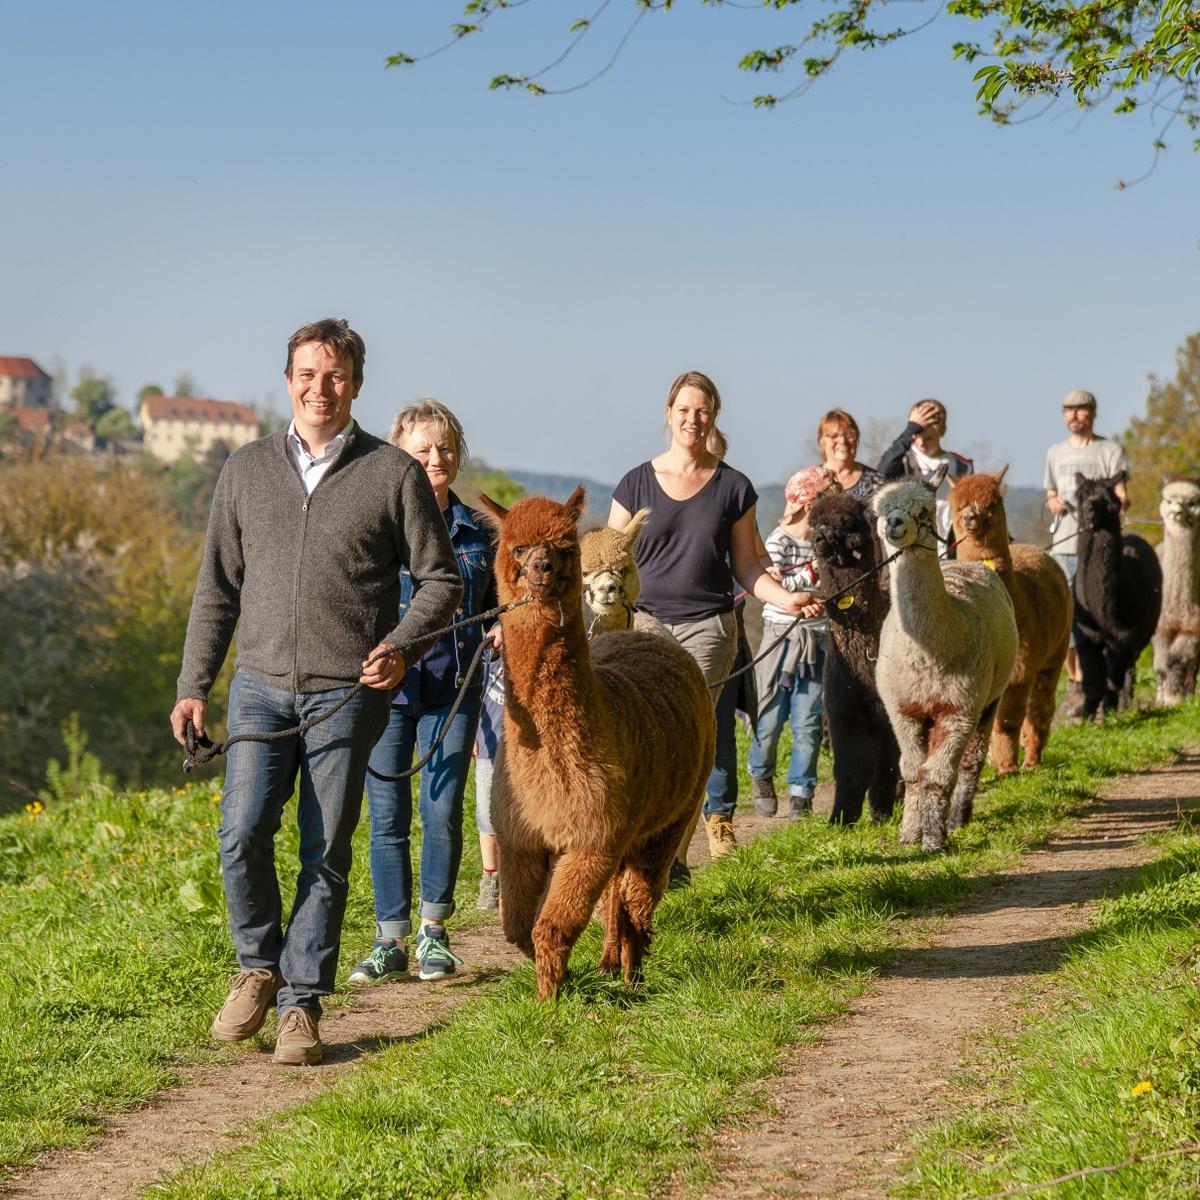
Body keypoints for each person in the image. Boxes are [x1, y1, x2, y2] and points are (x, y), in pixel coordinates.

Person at [169, 319, 462, 1066]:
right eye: (306, 374)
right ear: (288, 379)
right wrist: (193, 685)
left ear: (356, 384)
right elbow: (216, 591)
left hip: (345, 693)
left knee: (324, 849)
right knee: (240, 833)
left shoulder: (392, 472)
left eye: (334, 376)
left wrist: (401, 647)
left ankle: (301, 1003)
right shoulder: (244, 470)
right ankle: (257, 967)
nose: (319, 389)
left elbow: (442, 581)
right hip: (259, 690)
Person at [607, 371, 822, 877]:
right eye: (684, 409)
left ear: (714, 417)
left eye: (702, 410)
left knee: (689, 738)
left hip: (710, 627)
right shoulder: (634, 482)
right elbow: (607, 558)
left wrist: (787, 598)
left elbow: (747, 565)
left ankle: (672, 858)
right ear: (668, 413)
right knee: (647, 735)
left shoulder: (733, 486)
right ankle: (643, 843)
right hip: (646, 626)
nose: (692, 419)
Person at [348, 400, 498, 987]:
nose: (437, 458)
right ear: (399, 457)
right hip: (384, 694)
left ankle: (434, 936)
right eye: (422, 450)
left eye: (445, 447)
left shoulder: (479, 534)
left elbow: (497, 601)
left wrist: (500, 625)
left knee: (439, 811)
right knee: (385, 818)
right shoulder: (377, 528)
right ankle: (390, 939)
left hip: (452, 692)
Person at [749, 466, 839, 818]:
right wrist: (809, 575)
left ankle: (801, 792)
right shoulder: (778, 540)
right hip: (781, 638)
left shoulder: (824, 541)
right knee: (770, 716)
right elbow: (775, 585)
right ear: (806, 502)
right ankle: (761, 775)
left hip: (816, 639)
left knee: (809, 720)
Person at [1044, 388, 1129, 714]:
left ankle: (1101, 683)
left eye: (1080, 411)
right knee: (1067, 618)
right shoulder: (1055, 453)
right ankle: (1075, 683)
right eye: (1069, 411)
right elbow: (1050, 491)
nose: (1074, 416)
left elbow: (1122, 493)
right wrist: (1052, 501)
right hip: (1065, 542)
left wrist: (1116, 505)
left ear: (1092, 414)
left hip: (1100, 547)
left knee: (1098, 615)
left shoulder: (1109, 450)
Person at [877, 398, 973, 541]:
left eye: (928, 438)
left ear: (941, 432)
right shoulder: (902, 462)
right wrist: (910, 430)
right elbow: (882, 473)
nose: (921, 443)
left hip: (951, 550)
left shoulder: (961, 466)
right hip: (914, 548)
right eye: (916, 436)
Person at [472, 651, 506, 909]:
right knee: (486, 813)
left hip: (527, 750)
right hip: (489, 743)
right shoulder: (485, 652)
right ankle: (490, 876)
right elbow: (470, 695)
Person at [817, 408, 883, 502]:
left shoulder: (877, 482)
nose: (843, 441)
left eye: (849, 435)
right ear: (822, 441)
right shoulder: (806, 484)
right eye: (834, 436)